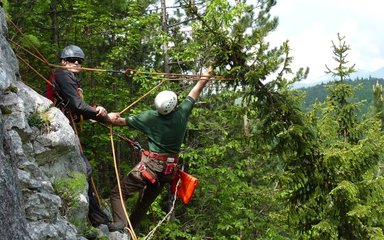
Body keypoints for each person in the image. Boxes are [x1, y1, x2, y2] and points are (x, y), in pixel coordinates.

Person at [106, 67, 212, 232]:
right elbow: (195, 90)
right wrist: (205, 77)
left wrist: (107, 118)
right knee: (144, 203)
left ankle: (120, 224)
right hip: (168, 172)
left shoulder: (149, 117)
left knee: (117, 194)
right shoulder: (182, 114)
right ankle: (130, 229)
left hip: (151, 167)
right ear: (174, 104)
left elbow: (121, 122)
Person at [47, 45, 114, 228]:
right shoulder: (62, 75)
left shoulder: (68, 78)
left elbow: (75, 108)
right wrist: (102, 115)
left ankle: (98, 217)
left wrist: (95, 111)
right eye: (71, 60)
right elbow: (77, 105)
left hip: (64, 127)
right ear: (63, 62)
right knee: (85, 169)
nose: (76, 63)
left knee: (85, 168)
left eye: (79, 61)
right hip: (58, 129)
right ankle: (99, 219)